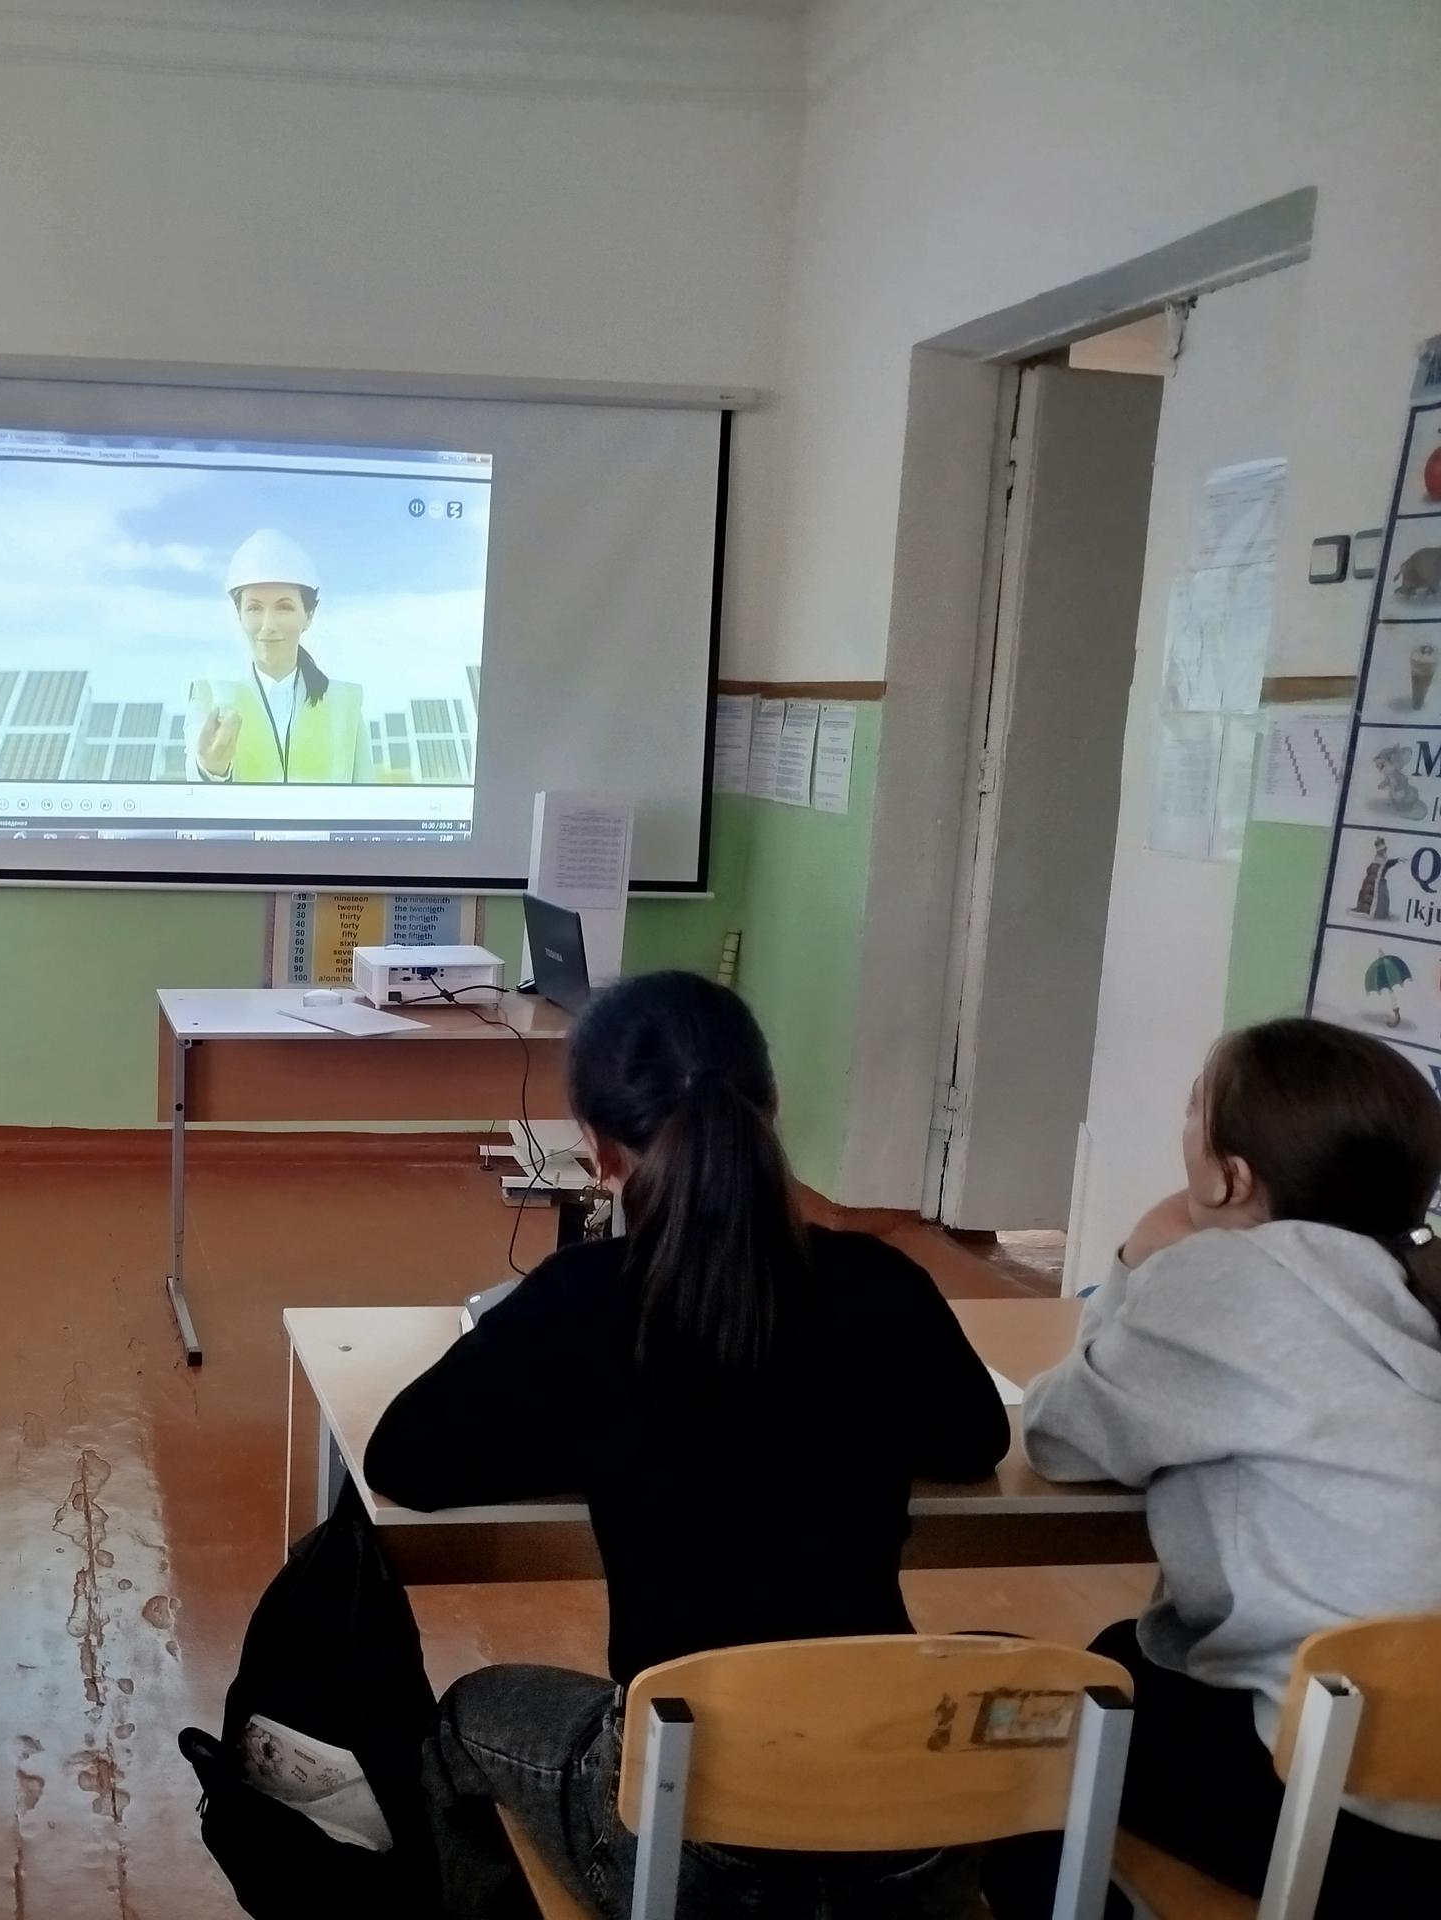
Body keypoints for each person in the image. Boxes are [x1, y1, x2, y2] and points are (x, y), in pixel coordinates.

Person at [366, 971, 1009, 1920]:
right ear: (772, 1112)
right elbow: (976, 1440)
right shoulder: (881, 1282)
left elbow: (402, 1460)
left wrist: (584, 1435)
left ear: (596, 1149)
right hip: (905, 1840)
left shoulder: (578, 1302)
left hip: (695, 1844)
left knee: (462, 1721)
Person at [984, 1019, 1441, 1919]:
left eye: (1194, 1106)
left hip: (1334, 1810)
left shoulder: (1221, 1281)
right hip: (1419, 1789)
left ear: (1227, 1177)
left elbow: (1060, 1436)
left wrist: (1136, 1261)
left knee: (1015, 1716)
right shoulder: (1413, 1287)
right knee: (1123, 1657)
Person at [189, 529, 374, 785]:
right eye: (254, 608)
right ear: (239, 615)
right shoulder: (209, 698)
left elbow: (366, 798)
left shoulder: (345, 703)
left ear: (309, 616)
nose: (268, 625)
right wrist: (211, 770)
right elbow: (192, 795)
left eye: (284, 607)